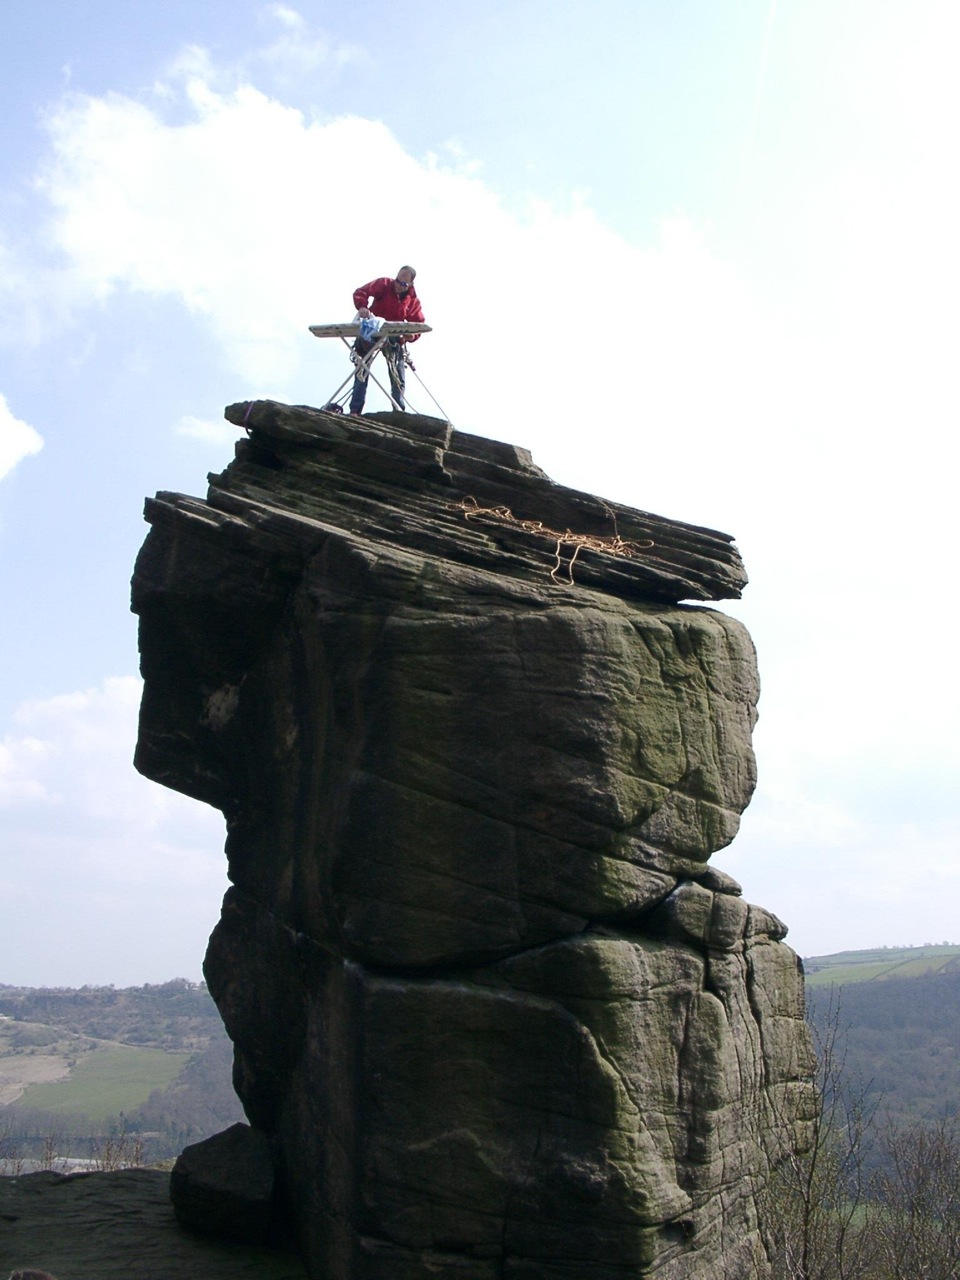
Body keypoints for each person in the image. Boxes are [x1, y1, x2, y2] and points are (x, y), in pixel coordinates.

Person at [349, 266, 425, 415]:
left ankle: (398, 410)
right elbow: (361, 292)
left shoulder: (412, 301)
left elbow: (419, 324)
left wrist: (412, 335)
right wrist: (362, 307)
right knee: (362, 367)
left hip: (394, 335)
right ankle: (355, 410)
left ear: (410, 285)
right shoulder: (384, 284)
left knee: (397, 370)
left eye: (403, 284)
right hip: (372, 329)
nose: (398, 286)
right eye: (397, 281)